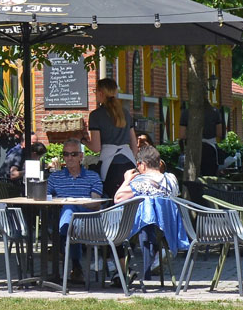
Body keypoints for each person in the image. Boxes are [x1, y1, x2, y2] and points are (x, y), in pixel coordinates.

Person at [114, 145, 180, 281]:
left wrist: (127, 179)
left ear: (142, 164)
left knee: (115, 231)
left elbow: (117, 199)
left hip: (145, 227)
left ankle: (123, 271)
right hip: (167, 228)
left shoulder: (141, 182)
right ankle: (158, 253)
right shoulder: (171, 179)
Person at [47, 138, 103, 285]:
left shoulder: (93, 177)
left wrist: (76, 203)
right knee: (67, 212)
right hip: (63, 218)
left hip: (87, 221)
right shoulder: (55, 177)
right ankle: (75, 265)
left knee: (70, 210)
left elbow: (96, 203)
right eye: (66, 154)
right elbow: (44, 198)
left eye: (73, 154)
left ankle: (61, 242)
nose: (69, 158)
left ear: (81, 156)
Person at [85, 78, 137, 199]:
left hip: (110, 167)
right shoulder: (125, 113)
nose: (95, 94)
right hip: (128, 162)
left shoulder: (96, 115)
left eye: (95, 91)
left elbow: (96, 148)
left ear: (101, 93)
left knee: (112, 201)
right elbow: (135, 147)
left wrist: (82, 140)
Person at [179, 100, 222, 176]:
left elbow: (182, 135)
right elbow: (219, 133)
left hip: (192, 148)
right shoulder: (215, 112)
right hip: (211, 150)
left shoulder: (186, 113)